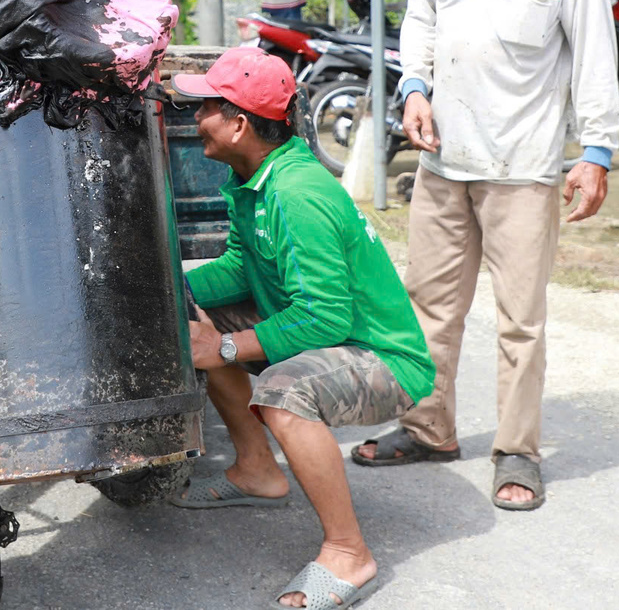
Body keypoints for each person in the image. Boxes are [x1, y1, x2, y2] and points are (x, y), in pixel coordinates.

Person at [349, 0, 618, 513]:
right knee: (429, 305)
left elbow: (596, 50)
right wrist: (413, 89)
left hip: (525, 167)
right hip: (444, 160)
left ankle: (517, 450)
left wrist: (595, 151)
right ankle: (430, 427)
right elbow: (421, 20)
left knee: (519, 320)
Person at [168, 50, 433, 610]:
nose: (196, 120)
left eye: (207, 107)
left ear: (239, 123)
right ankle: (258, 472)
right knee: (189, 320)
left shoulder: (296, 192)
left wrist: (227, 346)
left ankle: (348, 552)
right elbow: (243, 268)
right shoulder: (255, 178)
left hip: (383, 359)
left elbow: (324, 317)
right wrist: (168, 287)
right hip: (332, 335)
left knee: (284, 392)